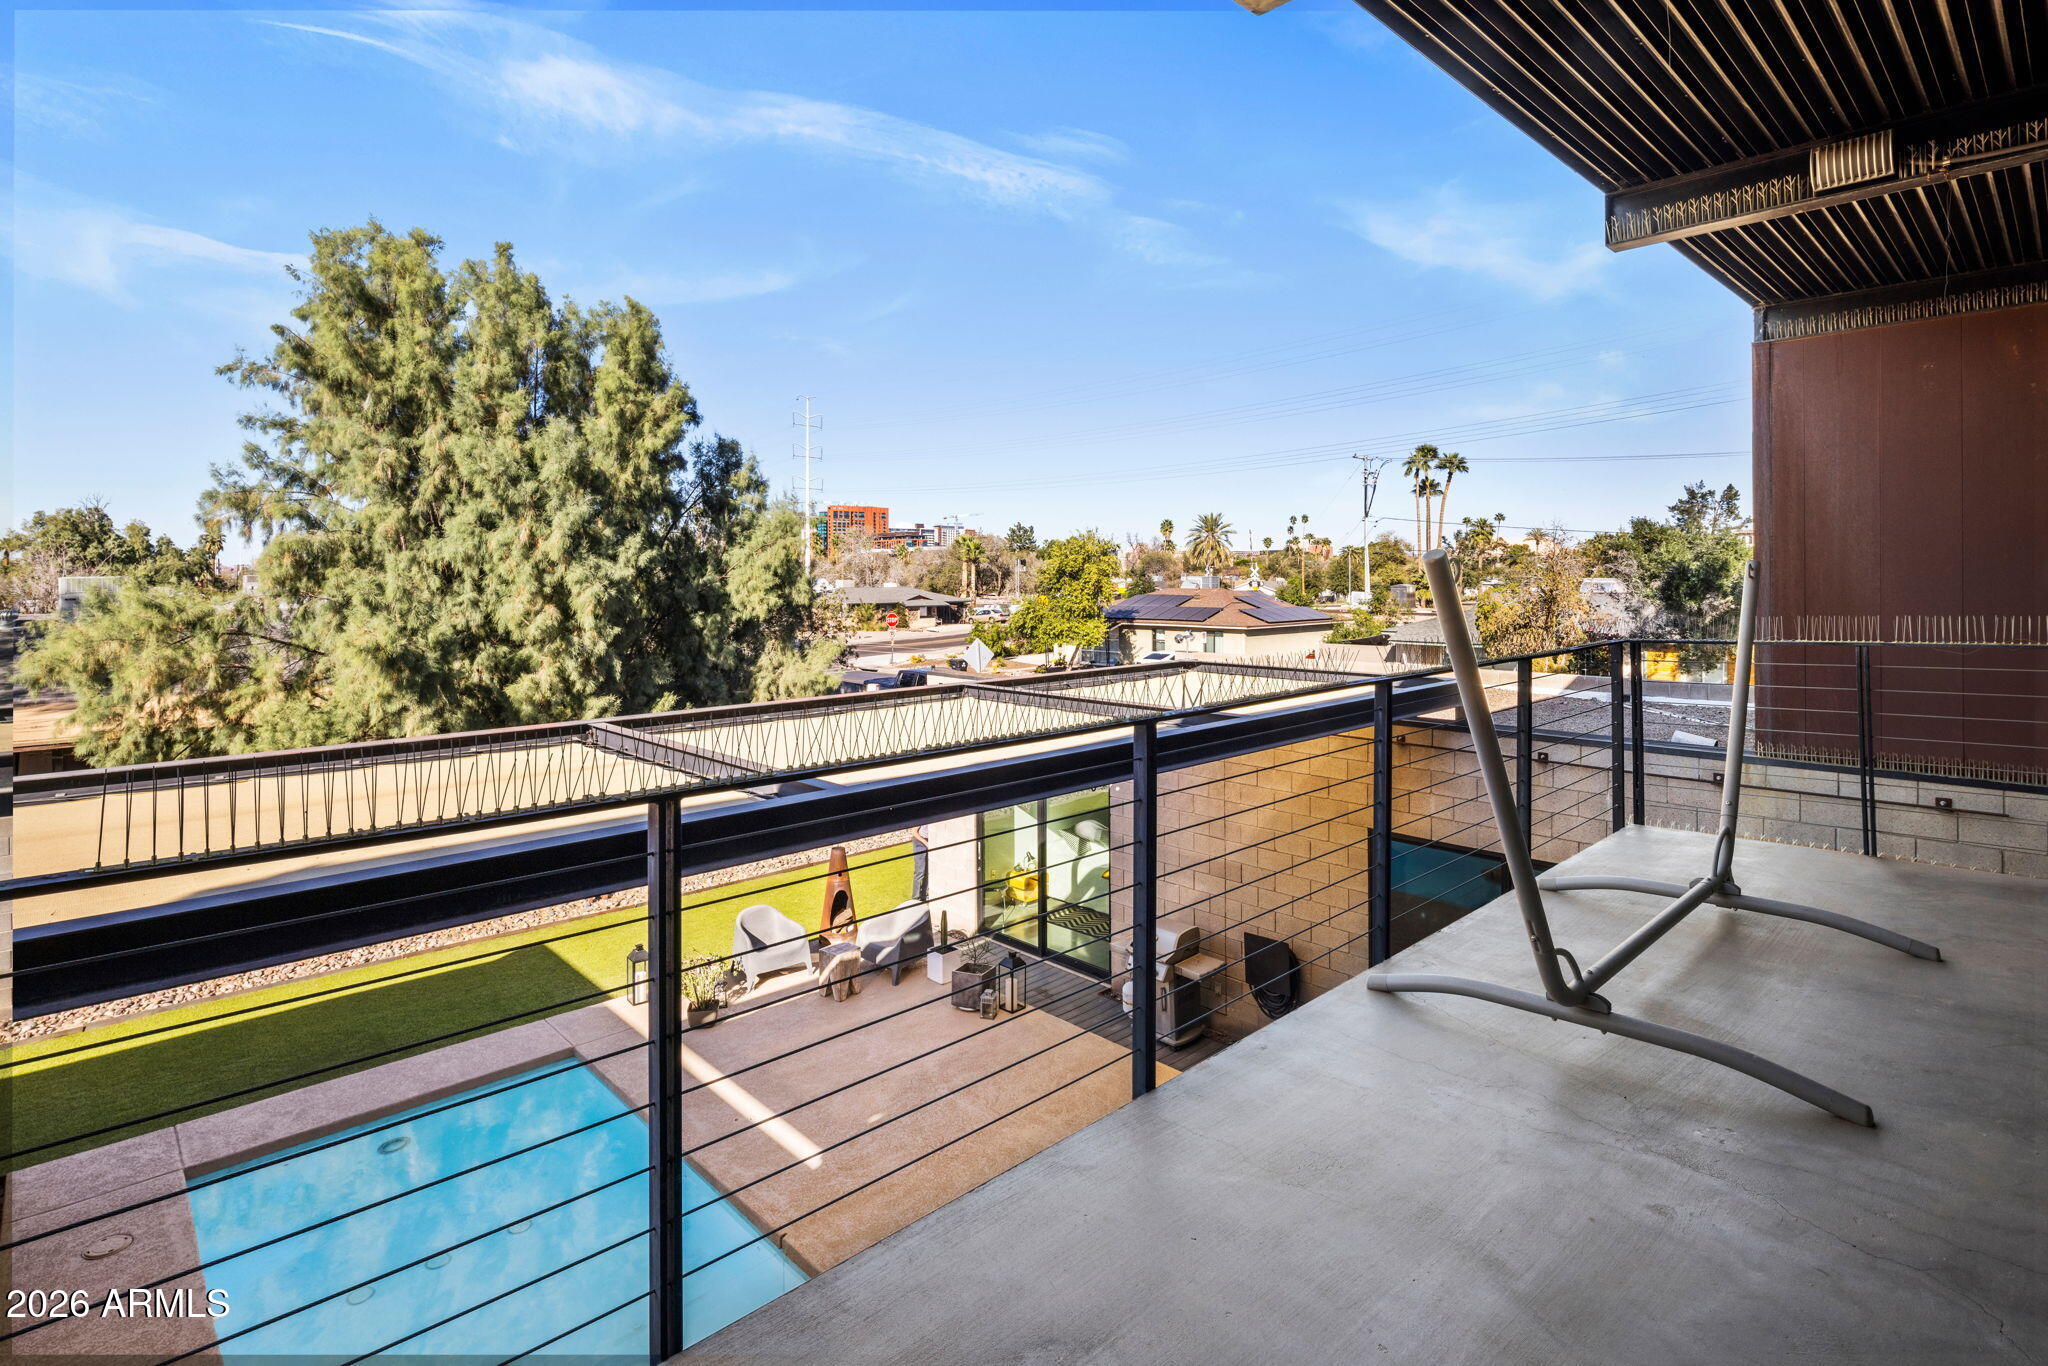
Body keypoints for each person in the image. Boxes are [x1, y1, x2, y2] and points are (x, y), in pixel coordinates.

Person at [910, 823, 930, 902]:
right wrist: (926, 843)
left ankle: (924, 895)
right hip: (919, 842)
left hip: (929, 841)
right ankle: (915, 898)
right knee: (920, 872)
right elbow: (914, 832)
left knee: (928, 871)